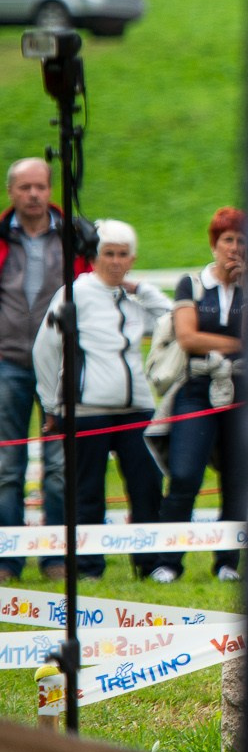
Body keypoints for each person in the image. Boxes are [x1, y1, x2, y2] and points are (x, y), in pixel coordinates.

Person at [31, 221, 169, 580]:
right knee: (87, 491)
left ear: (132, 258)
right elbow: (44, 350)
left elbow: (172, 320)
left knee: (147, 486)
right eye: (109, 253)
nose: (116, 261)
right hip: (86, 409)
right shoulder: (72, 294)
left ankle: (149, 564)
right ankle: (90, 567)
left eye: (123, 254)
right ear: (94, 256)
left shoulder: (132, 299)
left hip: (137, 408)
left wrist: (142, 288)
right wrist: (51, 403)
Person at [0, 157, 92, 584]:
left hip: (59, 366)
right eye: (25, 187)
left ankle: (57, 558)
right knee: (6, 465)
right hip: (8, 363)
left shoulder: (74, 236)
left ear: (51, 188)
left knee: (58, 468)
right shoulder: (2, 236)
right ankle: (6, 560)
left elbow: (93, 291)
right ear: (11, 192)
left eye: (41, 186)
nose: (34, 195)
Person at [154, 208, 247, 583]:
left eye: (242, 241)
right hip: (196, 389)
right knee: (184, 475)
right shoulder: (190, 284)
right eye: (228, 240)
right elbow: (188, 337)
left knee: (238, 479)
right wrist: (237, 343)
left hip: (243, 391)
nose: (234, 248)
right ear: (214, 243)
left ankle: (227, 563)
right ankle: (168, 561)